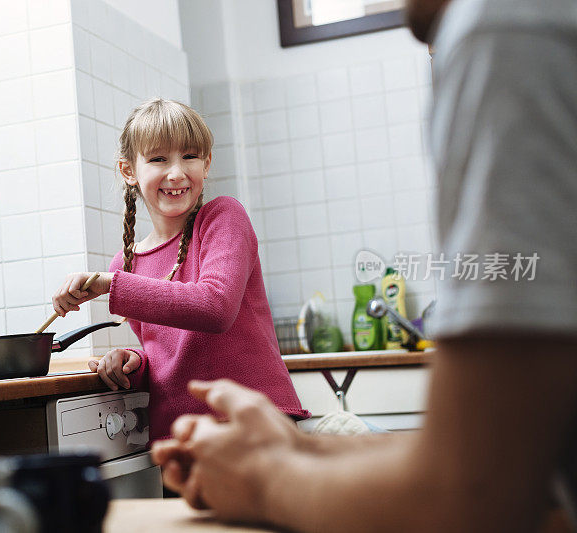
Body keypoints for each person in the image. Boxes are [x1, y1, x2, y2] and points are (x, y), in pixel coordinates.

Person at [150, 0, 577, 530]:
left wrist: (264, 478)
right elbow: (518, 472)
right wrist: (293, 453)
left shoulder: (502, 21)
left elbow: (475, 491)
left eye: (188, 156)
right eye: (158, 159)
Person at [51, 98, 308, 441]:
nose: (177, 172)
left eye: (189, 156)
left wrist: (112, 285)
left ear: (206, 163)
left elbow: (215, 308)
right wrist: (134, 362)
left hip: (254, 428)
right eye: (159, 159)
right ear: (129, 171)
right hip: (182, 440)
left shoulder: (224, 218)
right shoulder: (125, 265)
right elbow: (171, 353)